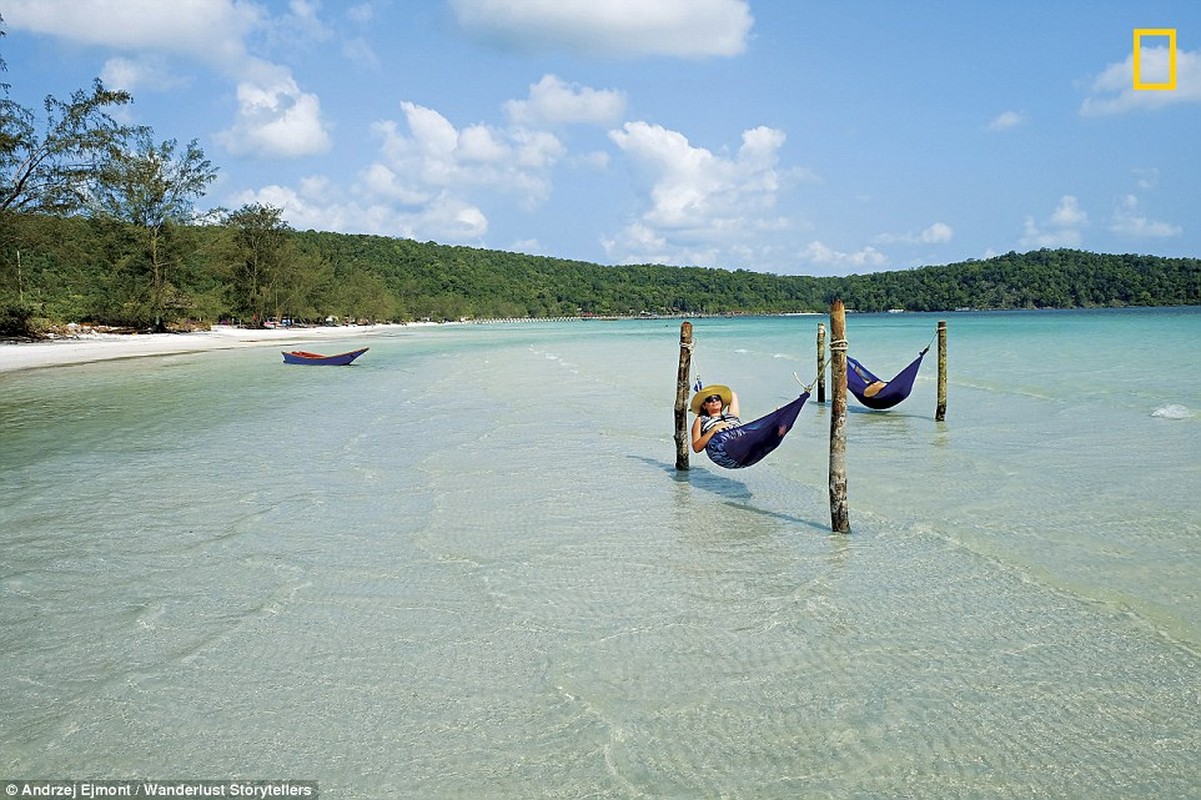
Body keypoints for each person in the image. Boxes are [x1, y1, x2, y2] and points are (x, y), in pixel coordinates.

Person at [690, 384, 742, 454]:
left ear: (721, 402)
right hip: (723, 453)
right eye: (710, 400)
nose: (714, 401)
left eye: (717, 398)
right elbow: (696, 448)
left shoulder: (731, 417)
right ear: (704, 406)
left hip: (741, 446)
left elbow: (733, 395)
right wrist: (714, 429)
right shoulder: (701, 419)